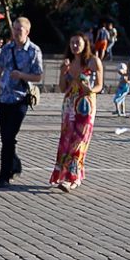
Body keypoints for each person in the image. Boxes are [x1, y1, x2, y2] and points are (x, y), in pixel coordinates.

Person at [0, 16, 44, 188]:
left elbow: (38, 76)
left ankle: (3, 176)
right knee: (6, 137)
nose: (17, 32)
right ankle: (14, 164)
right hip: (4, 98)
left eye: (20, 29)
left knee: (9, 136)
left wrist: (22, 76)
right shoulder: (7, 48)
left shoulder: (34, 51)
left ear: (27, 31)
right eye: (14, 29)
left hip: (20, 99)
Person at [50, 33, 102, 192]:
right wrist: (62, 72)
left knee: (79, 141)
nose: (74, 45)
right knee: (66, 141)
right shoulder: (68, 62)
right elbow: (63, 88)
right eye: (72, 42)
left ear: (85, 43)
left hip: (85, 106)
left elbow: (99, 86)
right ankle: (72, 176)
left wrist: (90, 90)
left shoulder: (93, 61)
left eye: (77, 42)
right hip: (69, 106)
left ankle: (70, 178)